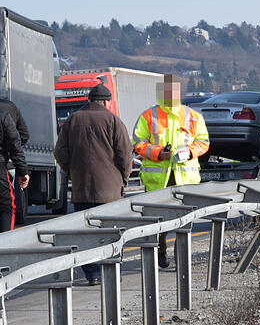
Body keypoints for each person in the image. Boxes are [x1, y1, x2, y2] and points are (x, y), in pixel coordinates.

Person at [54, 84, 133, 286]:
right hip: (111, 191)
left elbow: (60, 151)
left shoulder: (72, 120)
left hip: (82, 189)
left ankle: (92, 274)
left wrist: (72, 172)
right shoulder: (114, 121)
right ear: (106, 101)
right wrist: (123, 178)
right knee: (112, 232)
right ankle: (111, 271)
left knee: (86, 234)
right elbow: (125, 155)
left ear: (89, 100)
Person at [133, 74, 209, 268]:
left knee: (184, 221)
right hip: (159, 179)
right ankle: (161, 251)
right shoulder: (148, 116)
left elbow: (203, 142)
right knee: (160, 221)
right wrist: (159, 153)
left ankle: (181, 257)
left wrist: (189, 152)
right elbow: (138, 143)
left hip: (185, 177)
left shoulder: (193, 116)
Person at [0, 109, 28, 232]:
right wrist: (22, 171)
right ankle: (5, 247)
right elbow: (14, 143)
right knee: (6, 207)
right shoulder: (3, 114)